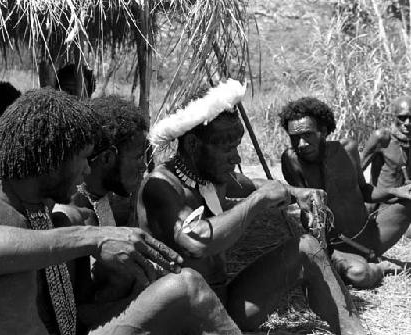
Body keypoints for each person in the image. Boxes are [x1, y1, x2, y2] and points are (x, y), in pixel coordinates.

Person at [0, 88, 243, 335]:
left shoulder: (53, 215)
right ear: (52, 158)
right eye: (82, 158)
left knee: (183, 288)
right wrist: (92, 237)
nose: (87, 169)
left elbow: (75, 316)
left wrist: (138, 286)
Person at [138, 80, 365, 335]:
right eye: (227, 149)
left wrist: (297, 193)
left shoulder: (211, 176)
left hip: (222, 303)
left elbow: (251, 183)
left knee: (306, 248)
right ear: (192, 145)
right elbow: (195, 241)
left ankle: (355, 332)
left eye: (236, 147)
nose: (235, 158)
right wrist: (258, 202)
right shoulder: (160, 186)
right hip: (181, 321)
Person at [280, 97, 411, 289]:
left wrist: (396, 191)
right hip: (337, 246)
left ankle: (369, 254)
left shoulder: (347, 149)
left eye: (307, 135)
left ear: (323, 131)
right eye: (294, 137)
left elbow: (365, 191)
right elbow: (303, 206)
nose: (301, 144)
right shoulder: (292, 160)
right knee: (360, 274)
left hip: (370, 232)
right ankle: (381, 267)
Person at [53, 95, 148, 328]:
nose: (144, 165)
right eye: (138, 157)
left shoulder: (102, 201)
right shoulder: (70, 215)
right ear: (107, 158)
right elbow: (72, 317)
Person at [361, 95, 411, 238]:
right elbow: (358, 170)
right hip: (382, 203)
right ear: (393, 117)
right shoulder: (382, 138)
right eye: (402, 118)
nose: (407, 123)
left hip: (405, 204)